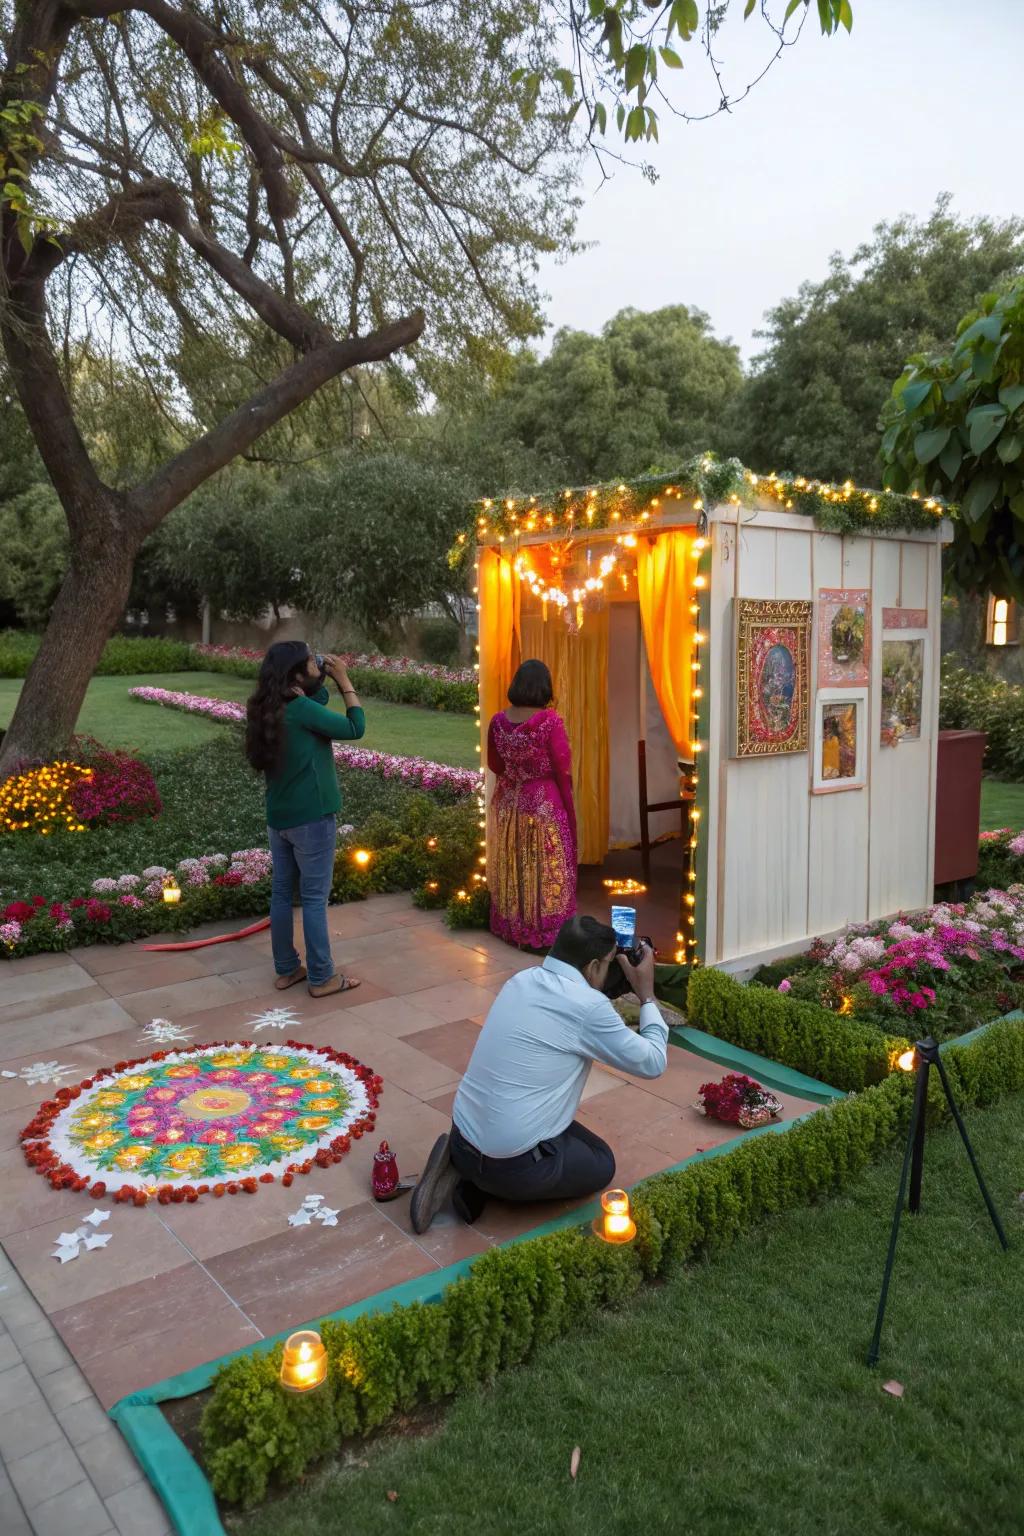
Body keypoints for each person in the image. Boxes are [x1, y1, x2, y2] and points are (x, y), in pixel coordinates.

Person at [409, 916, 668, 1232]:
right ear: (593, 966)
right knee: (602, 1161)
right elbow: (653, 1062)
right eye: (610, 962)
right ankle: (487, 1182)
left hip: (463, 1132)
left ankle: (466, 1169)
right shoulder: (589, 1007)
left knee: (547, 1123)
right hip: (512, 1166)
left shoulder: (521, 980)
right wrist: (646, 995)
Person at [245, 641, 365, 997]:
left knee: (282, 893)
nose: (318, 663)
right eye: (311, 661)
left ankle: (286, 969)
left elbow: (318, 700)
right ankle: (322, 977)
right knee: (314, 899)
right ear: (296, 675)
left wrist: (316, 680)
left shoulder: (266, 706)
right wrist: (344, 680)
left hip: (279, 816)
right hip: (312, 817)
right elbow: (355, 727)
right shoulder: (300, 710)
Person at [487, 658, 576, 950]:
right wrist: (569, 807)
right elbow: (562, 767)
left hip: (509, 802)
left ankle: (513, 924)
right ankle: (545, 929)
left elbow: (495, 764)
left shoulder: (498, 721)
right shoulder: (550, 722)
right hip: (542, 804)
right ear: (544, 687)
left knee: (515, 862)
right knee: (544, 865)